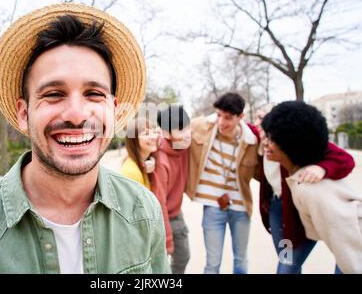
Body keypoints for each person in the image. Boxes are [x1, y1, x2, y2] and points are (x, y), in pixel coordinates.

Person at [0, 3, 170, 274]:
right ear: (23, 113)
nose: (77, 115)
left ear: (113, 110)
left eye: (94, 94)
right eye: (53, 94)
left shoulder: (144, 211)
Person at [261, 101, 362, 274]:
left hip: (348, 236)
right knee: (285, 260)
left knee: (286, 267)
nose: (265, 141)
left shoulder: (309, 186)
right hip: (281, 212)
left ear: (289, 143)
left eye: (270, 137)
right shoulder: (266, 146)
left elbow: (351, 249)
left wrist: (322, 168)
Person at [186, 92, 259, 274]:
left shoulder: (251, 141)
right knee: (212, 263)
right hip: (212, 206)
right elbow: (171, 135)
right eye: (219, 115)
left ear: (240, 117)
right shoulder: (202, 127)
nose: (221, 122)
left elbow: (266, 170)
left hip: (241, 208)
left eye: (228, 118)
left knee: (241, 260)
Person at [150, 105, 191, 274]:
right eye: (181, 129)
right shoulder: (161, 160)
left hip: (176, 212)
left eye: (188, 126)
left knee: (183, 256)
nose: (188, 133)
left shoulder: (184, 143)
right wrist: (167, 239)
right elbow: (159, 203)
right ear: (166, 134)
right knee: (164, 264)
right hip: (164, 216)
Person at [120, 116, 160, 190]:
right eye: (146, 134)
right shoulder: (131, 172)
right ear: (134, 140)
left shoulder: (145, 162)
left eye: (154, 132)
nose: (154, 137)